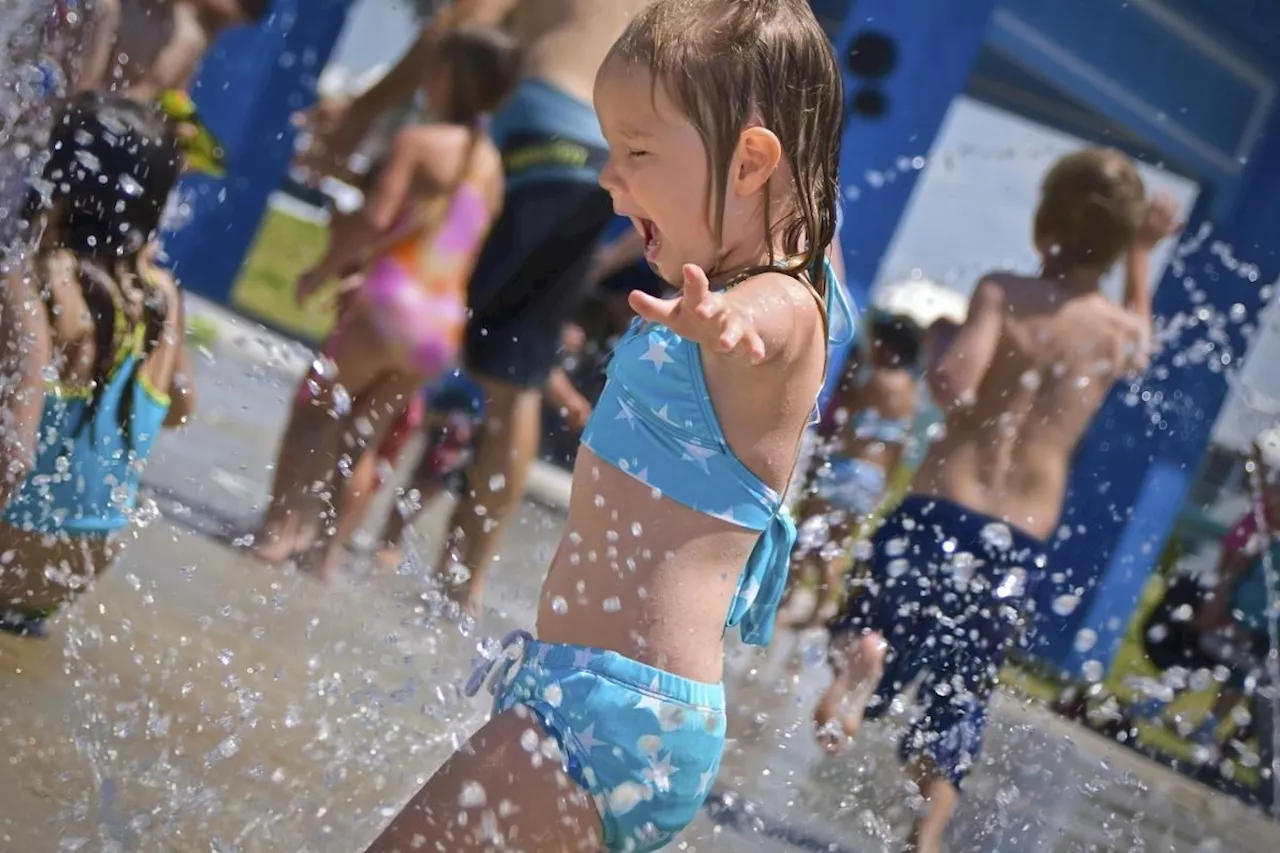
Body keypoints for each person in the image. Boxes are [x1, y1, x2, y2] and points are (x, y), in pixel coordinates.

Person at [362, 2, 851, 851]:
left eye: (637, 151)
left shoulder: (782, 301)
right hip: (591, 704)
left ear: (750, 161)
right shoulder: (708, 277)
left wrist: (732, 321)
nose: (607, 177)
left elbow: (777, 317)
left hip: (619, 712)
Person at [813, 149, 1181, 853]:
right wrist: (1142, 256)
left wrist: (948, 338)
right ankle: (928, 828)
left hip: (938, 505)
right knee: (962, 687)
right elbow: (1142, 343)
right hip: (1016, 539)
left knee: (869, 621)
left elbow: (954, 384)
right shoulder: (1112, 330)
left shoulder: (1003, 291)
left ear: (1045, 224)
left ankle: (868, 655)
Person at [294, 0, 654, 618]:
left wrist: (358, 115)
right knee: (516, 383)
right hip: (604, 162)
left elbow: (457, 27)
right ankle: (463, 586)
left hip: (528, 129)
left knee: (408, 327)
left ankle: (310, 536)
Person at [253, 27, 520, 583]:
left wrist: (325, 269)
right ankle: (323, 556)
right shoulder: (492, 166)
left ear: (445, 76)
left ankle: (276, 536)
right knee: (364, 436)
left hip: (388, 304)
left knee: (314, 410)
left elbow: (376, 219)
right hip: (442, 323)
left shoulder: (419, 141)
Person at [0, 92, 195, 638]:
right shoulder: (164, 298)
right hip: (68, 573)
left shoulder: (31, 283)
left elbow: (15, 449)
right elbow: (180, 409)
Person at [781, 311, 923, 628]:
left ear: (889, 346)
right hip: (871, 480)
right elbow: (900, 446)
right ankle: (819, 612)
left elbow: (844, 411)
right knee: (836, 549)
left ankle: (786, 603)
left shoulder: (876, 380)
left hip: (845, 469)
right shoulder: (912, 393)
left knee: (806, 539)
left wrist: (851, 372)